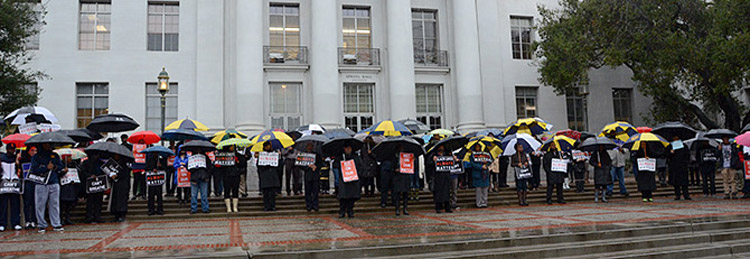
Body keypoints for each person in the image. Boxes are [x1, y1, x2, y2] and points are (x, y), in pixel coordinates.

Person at [31, 143, 65, 232]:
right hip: (41, 183)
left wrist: (55, 167)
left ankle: (56, 223)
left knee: (54, 204)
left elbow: (60, 167)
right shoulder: (36, 157)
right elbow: (34, 170)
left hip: (53, 182)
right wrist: (46, 168)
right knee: (40, 205)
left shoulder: (55, 155)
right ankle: (41, 224)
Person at [333, 143, 361, 218]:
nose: (348, 149)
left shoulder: (355, 157)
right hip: (343, 179)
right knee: (343, 197)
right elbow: (335, 165)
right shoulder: (340, 157)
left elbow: (359, 166)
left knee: (352, 197)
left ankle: (350, 210)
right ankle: (342, 211)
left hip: (353, 179)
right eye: (346, 148)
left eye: (349, 148)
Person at [1, 144, 22, 231]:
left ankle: (16, 223)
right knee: (3, 205)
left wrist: (18, 163)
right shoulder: (2, 157)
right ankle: (2, 223)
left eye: (13, 149)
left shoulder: (17, 158)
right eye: (10, 149)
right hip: (3, 183)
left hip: (14, 183)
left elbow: (20, 171)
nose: (11, 150)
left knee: (15, 204)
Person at [430, 145, 456, 213]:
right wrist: (433, 160)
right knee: (438, 192)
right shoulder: (433, 155)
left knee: (447, 192)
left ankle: (447, 207)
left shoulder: (447, 155)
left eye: (442, 148)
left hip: (446, 176)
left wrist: (454, 159)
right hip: (438, 176)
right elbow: (428, 164)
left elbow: (452, 164)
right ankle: (438, 207)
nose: (441, 149)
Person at [257, 142, 282, 211]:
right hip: (265, 175)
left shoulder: (274, 154)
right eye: (266, 146)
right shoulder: (262, 155)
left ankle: (272, 205)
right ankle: (266, 206)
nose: (268, 147)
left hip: (272, 175)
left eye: (269, 146)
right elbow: (259, 166)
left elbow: (279, 166)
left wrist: (279, 157)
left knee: (272, 193)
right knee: (266, 193)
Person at [81, 153, 105, 224]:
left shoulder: (101, 163)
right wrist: (90, 176)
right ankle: (89, 216)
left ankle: (97, 216)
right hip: (90, 185)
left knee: (98, 201)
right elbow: (83, 172)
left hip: (99, 184)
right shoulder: (86, 163)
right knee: (90, 201)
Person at [59, 155, 82, 225]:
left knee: (69, 204)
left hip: (71, 187)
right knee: (62, 204)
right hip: (63, 187)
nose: (70, 159)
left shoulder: (73, 164)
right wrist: (63, 171)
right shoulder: (61, 164)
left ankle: (67, 218)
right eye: (68, 157)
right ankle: (61, 219)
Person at [216, 146, 240, 213]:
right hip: (226, 175)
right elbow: (219, 165)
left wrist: (238, 161)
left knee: (235, 190)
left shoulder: (237, 154)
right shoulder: (223, 155)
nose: (232, 147)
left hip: (235, 174)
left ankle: (235, 207)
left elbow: (242, 162)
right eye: (231, 146)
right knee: (227, 190)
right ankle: (228, 208)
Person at [299, 143, 322, 211]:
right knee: (307, 191)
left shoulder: (316, 155)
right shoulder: (303, 155)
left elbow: (320, 163)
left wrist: (316, 167)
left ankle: (315, 205)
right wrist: (308, 167)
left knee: (315, 191)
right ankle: (308, 205)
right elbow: (300, 165)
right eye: (308, 146)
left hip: (315, 175)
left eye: (311, 146)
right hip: (308, 175)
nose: (309, 148)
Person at [18, 146, 37, 229]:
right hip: (26, 182)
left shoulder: (37, 160)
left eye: (35, 150)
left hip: (35, 182)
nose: (34, 152)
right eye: (32, 150)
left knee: (34, 202)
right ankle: (27, 221)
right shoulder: (23, 160)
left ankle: (33, 220)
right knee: (27, 202)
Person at [667, 136, 691, 200]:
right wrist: (670, 153)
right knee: (676, 182)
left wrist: (686, 162)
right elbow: (666, 155)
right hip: (674, 166)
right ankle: (677, 195)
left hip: (683, 166)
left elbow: (687, 155)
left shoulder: (684, 146)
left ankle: (686, 194)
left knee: (684, 182)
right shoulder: (670, 146)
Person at [391, 146, 413, 216]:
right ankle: (397, 209)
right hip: (397, 177)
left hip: (405, 177)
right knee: (397, 194)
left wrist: (412, 161)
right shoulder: (394, 157)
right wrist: (395, 169)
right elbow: (391, 167)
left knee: (405, 194)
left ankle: (405, 208)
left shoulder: (408, 156)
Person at [110, 154, 131, 222]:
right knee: (115, 199)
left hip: (122, 184)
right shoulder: (113, 163)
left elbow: (125, 174)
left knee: (121, 200)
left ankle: (122, 214)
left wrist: (117, 175)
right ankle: (116, 215)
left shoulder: (124, 164)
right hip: (115, 185)